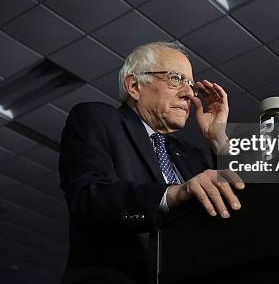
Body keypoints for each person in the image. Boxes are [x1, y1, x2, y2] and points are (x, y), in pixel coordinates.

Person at [59, 41, 245, 284]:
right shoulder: (97, 119)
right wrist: (173, 195)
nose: (189, 93)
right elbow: (89, 198)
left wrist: (219, 139)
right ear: (134, 86)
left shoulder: (193, 156)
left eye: (190, 85)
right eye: (176, 79)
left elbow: (242, 210)